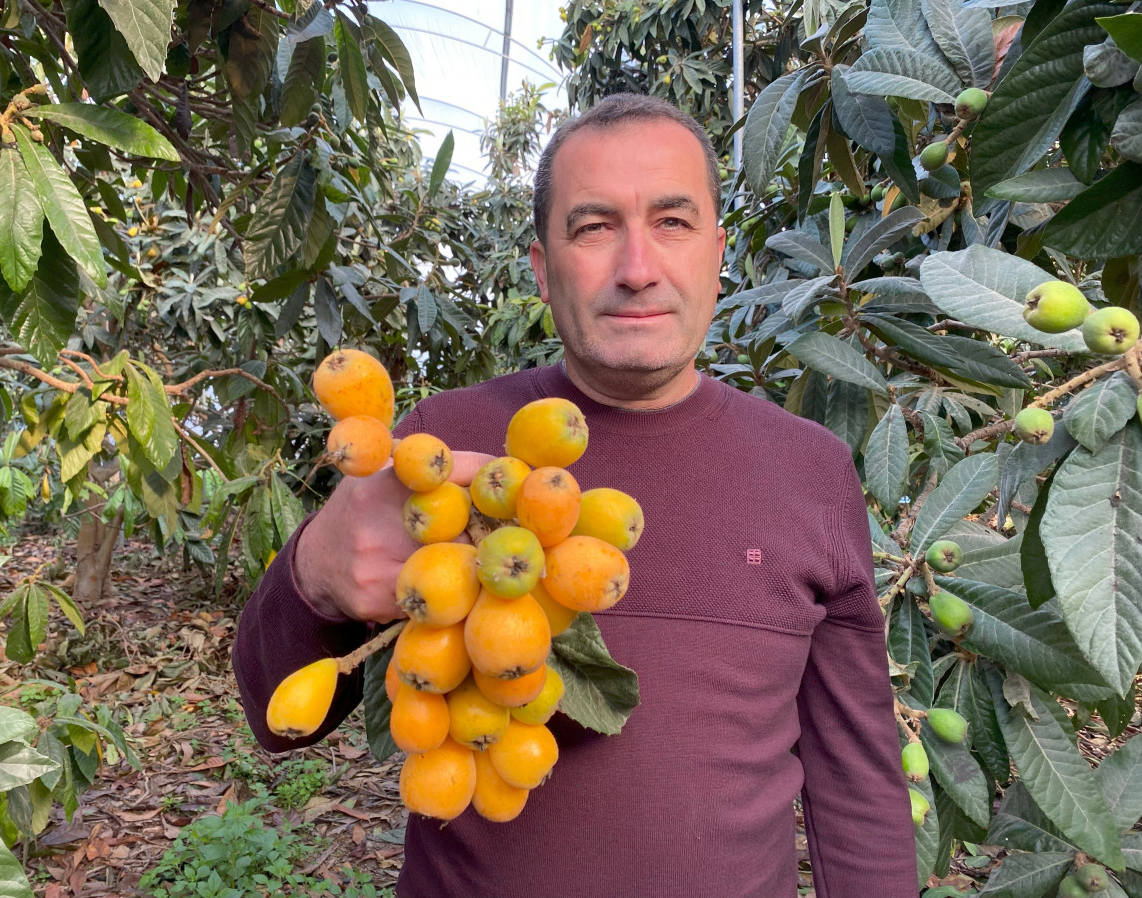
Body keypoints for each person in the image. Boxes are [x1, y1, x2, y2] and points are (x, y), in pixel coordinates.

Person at [233, 93, 918, 897]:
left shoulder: (811, 468)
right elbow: (273, 719)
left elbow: (858, 775)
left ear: (717, 252)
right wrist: (313, 571)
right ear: (540, 266)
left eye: (673, 222)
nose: (637, 267)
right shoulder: (441, 445)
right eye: (593, 227)